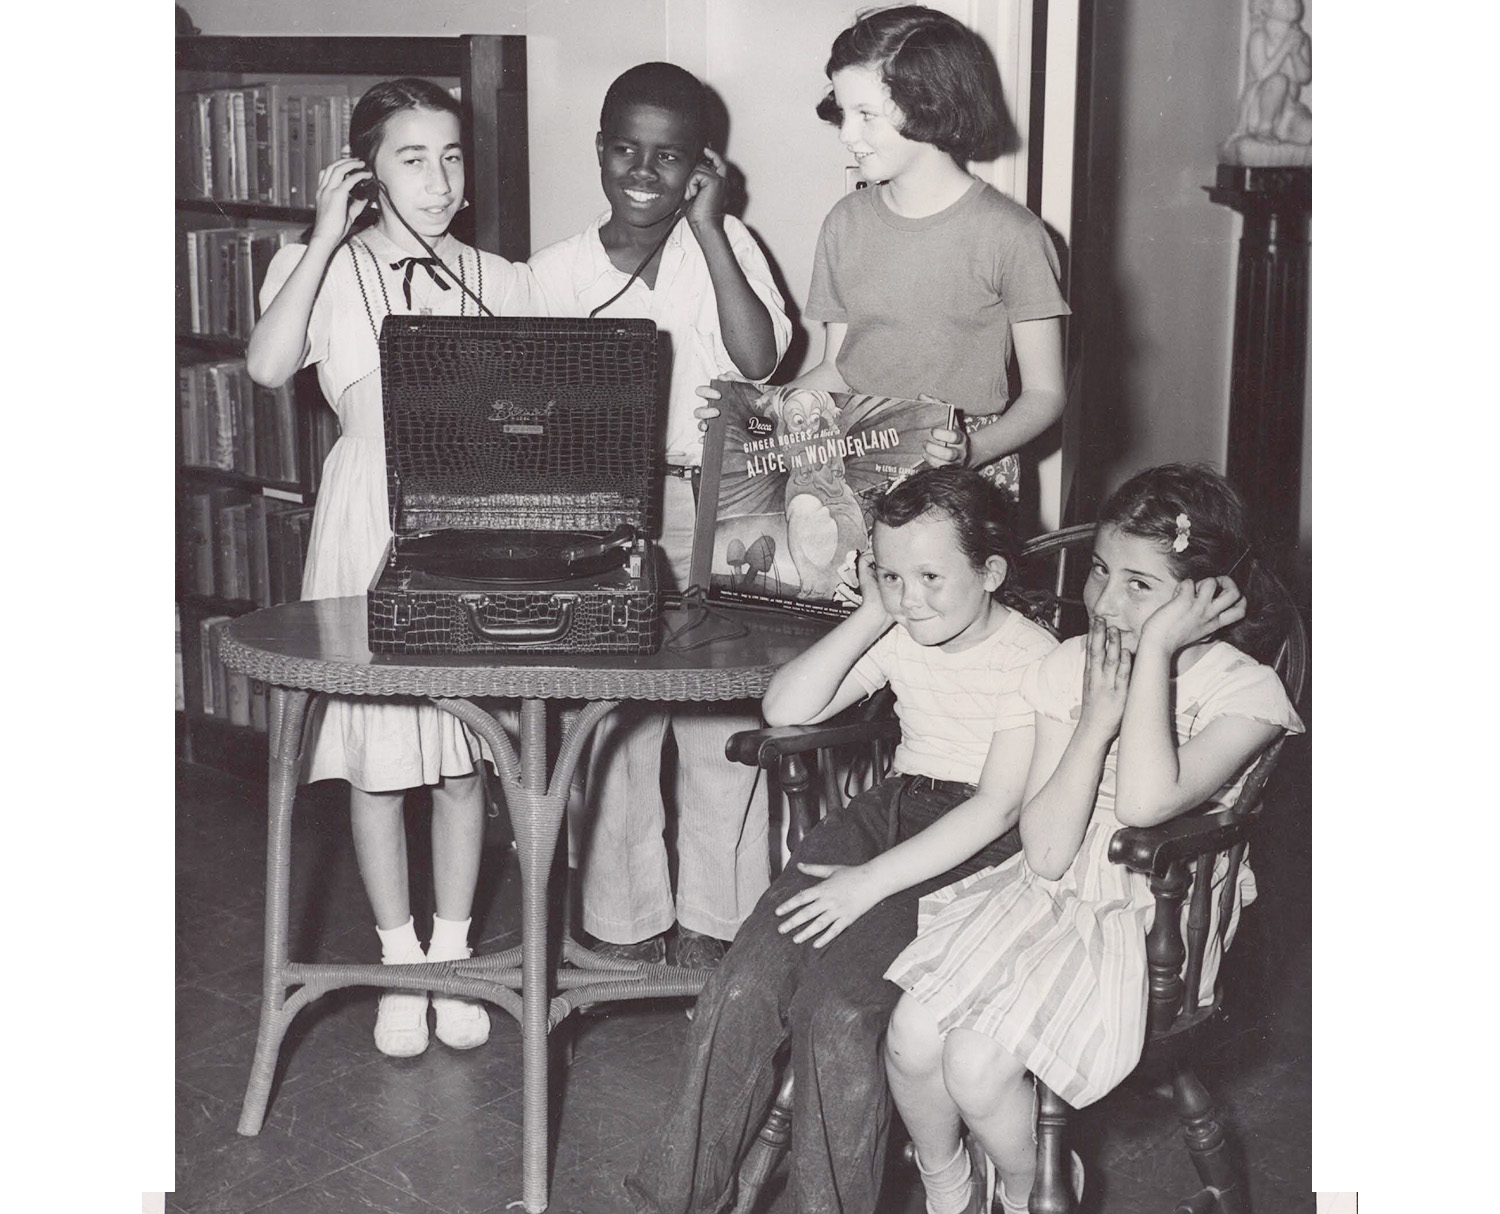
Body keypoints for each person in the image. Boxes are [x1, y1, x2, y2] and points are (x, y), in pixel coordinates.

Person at [627, 467, 1059, 1214]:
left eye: (930, 576)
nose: (910, 596)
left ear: (990, 573)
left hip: (976, 851)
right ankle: (671, 1200)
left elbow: (995, 809)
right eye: (891, 574)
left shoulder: (1032, 656)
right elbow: (786, 705)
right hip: (887, 814)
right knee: (741, 985)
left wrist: (866, 885)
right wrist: (870, 615)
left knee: (840, 1013)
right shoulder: (900, 624)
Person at [882, 464, 1306, 1214]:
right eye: (1101, 571)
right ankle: (951, 1193)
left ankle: (1028, 1195)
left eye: (1140, 586)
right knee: (912, 1042)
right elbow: (1044, 855)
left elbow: (1145, 801)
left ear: (1206, 597)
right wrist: (1091, 723)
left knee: (977, 1070)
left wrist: (1150, 665)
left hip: (1146, 925)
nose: (1105, 602)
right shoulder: (1069, 665)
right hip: (1044, 896)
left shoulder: (1248, 694)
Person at [246, 78, 541, 1057]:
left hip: (465, 521)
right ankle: (398, 957)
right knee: (378, 761)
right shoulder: (319, 267)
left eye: (452, 154)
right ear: (366, 169)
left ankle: (453, 953)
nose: (440, 178)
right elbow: (266, 364)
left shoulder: (495, 275)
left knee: (459, 756)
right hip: (364, 516)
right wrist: (327, 234)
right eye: (412, 157)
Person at [528, 62, 793, 967]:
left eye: (670, 156)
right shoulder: (553, 272)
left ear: (700, 167)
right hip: (603, 512)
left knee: (719, 719)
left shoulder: (724, 245)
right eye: (627, 150)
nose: (645, 170)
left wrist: (712, 230)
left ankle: (721, 925)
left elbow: (758, 362)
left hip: (714, 502)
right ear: (600, 152)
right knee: (615, 725)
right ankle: (622, 920)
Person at [790, 5, 1070, 502]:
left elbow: (1045, 394)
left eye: (866, 115)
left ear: (930, 105)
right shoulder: (844, 222)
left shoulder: (1013, 235)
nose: (845, 135)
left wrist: (973, 449)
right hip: (859, 461)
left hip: (965, 476)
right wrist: (748, 417)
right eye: (843, 112)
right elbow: (837, 368)